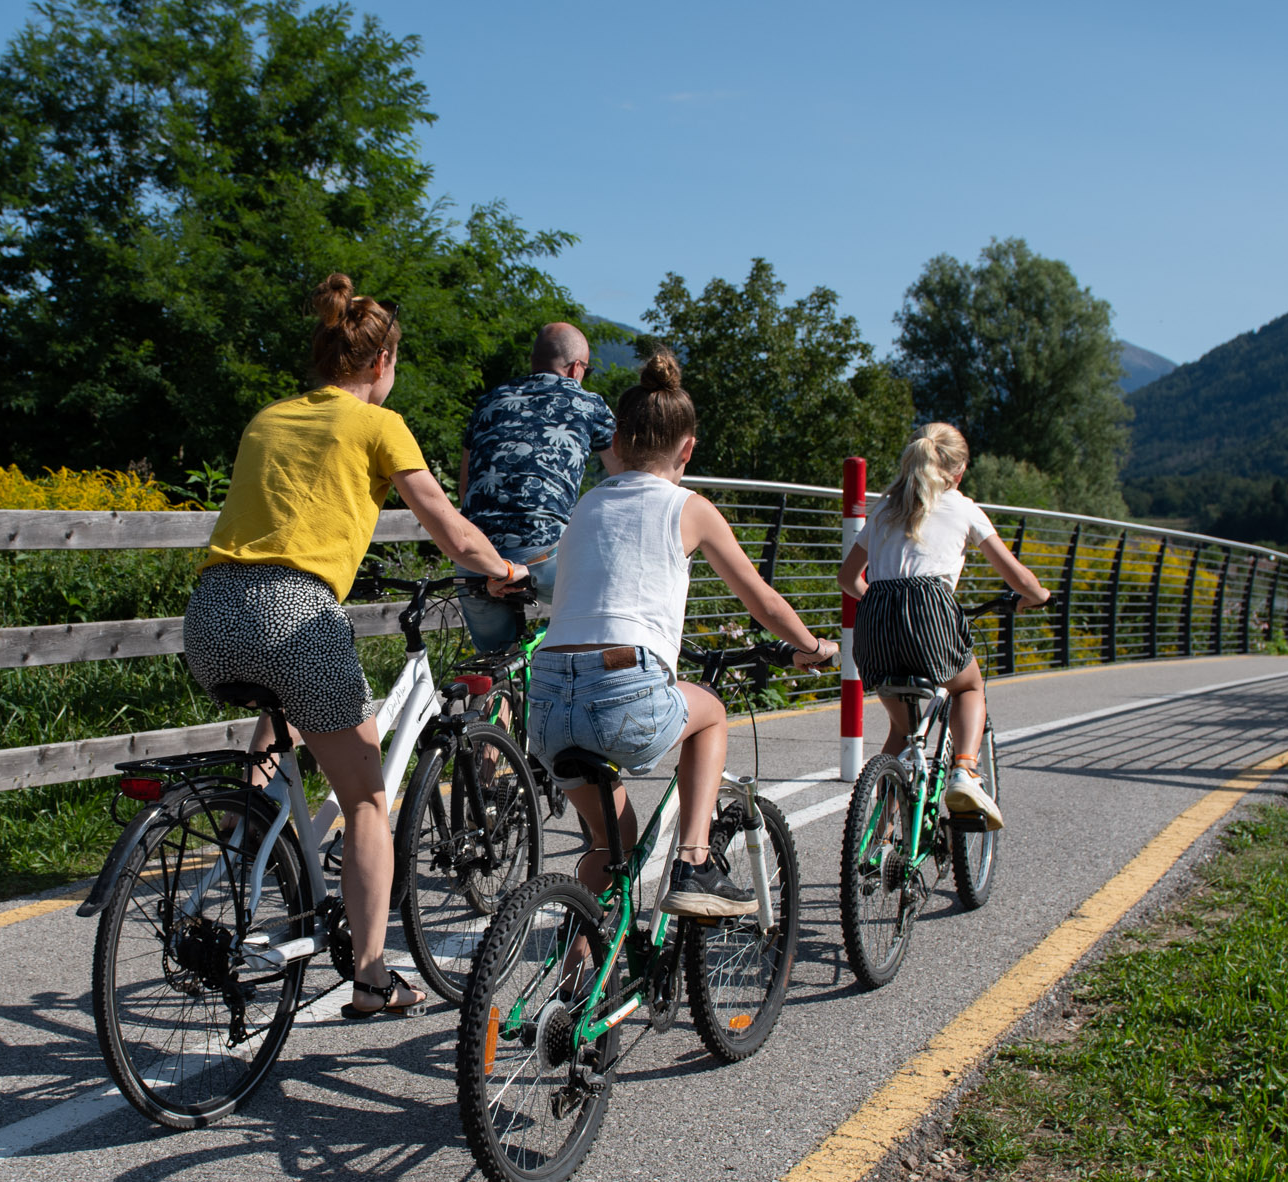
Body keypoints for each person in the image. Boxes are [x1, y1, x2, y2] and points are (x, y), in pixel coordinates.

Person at [185, 273, 526, 1017]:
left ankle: (249, 846)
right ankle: (372, 977)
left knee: (278, 718)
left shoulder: (267, 418)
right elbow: (448, 526)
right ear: (381, 364)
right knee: (369, 800)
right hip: (294, 613)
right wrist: (504, 571)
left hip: (210, 614)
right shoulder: (380, 423)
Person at [530, 350, 836, 918]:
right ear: (687, 449)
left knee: (609, 845)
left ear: (617, 442)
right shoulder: (688, 507)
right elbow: (763, 600)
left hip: (545, 700)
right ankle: (695, 862)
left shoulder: (586, 505)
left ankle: (572, 994)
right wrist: (814, 648)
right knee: (711, 712)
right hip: (622, 687)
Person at [836, 422, 1050, 829]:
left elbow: (847, 578)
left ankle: (879, 837)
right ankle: (965, 772)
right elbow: (1017, 577)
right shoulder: (963, 507)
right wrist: (1038, 595)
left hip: (875, 622)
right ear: (959, 470)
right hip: (931, 612)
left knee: (903, 731)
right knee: (969, 686)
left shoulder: (883, 508)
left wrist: (885, 601)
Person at [454, 322, 617, 652]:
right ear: (576, 368)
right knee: (606, 623)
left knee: (494, 663)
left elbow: (464, 490)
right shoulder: (588, 404)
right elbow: (626, 479)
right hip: (542, 555)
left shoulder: (488, 402)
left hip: (476, 557)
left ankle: (493, 697)